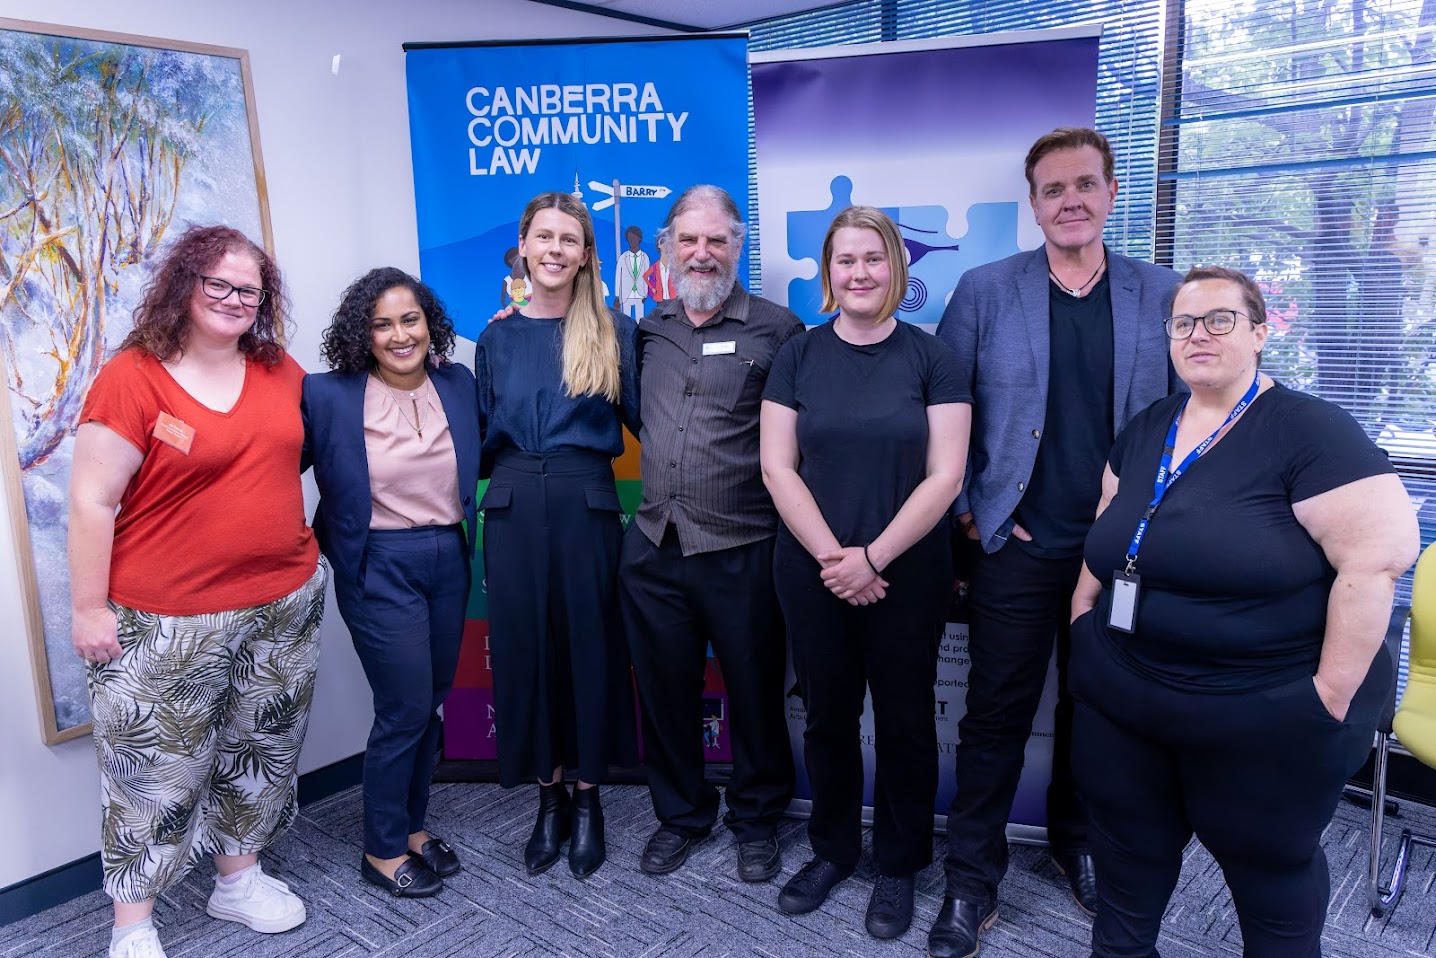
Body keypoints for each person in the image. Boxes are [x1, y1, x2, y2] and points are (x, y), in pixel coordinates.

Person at [1069, 265, 1419, 957]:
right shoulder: (1150, 426)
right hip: (1125, 694)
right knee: (1125, 860)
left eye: (1220, 319)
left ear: (1260, 332)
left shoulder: (1310, 431)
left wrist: (1328, 699)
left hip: (1258, 708)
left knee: (1267, 873)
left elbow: (1378, 560)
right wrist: (1083, 616)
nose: (1199, 334)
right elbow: (1109, 524)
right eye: (1183, 323)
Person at [930, 127, 1181, 956]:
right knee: (995, 715)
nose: (1070, 201)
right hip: (1018, 546)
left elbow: (1192, 417)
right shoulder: (985, 290)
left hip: (1120, 553)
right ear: (1033, 203)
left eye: (1085, 185)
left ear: (1111, 193)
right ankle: (972, 878)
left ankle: (1079, 846)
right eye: (1052, 189)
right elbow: (948, 409)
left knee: (1099, 712)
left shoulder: (1162, 294)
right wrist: (970, 506)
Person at [69, 225, 327, 958]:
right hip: (165, 618)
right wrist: (89, 607)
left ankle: (237, 880)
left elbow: (300, 456)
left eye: (248, 288)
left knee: (261, 749)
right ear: (182, 285)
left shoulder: (280, 369)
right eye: (216, 282)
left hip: (281, 602)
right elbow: (92, 501)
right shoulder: (133, 376)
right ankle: (133, 923)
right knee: (152, 771)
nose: (232, 298)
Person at [761, 206, 970, 939]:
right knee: (827, 718)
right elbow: (777, 467)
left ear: (896, 269)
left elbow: (945, 475)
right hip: (812, 568)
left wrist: (874, 559)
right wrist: (835, 560)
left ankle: (900, 865)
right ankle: (833, 850)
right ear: (828, 273)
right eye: (845, 261)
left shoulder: (932, 357)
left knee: (908, 722)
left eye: (873, 259)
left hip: (906, 571)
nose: (860, 273)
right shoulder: (798, 355)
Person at [620, 184, 801, 883]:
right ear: (664, 249)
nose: (702, 253)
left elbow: (798, 440)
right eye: (688, 240)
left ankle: (757, 819)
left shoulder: (778, 330)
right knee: (666, 694)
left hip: (744, 546)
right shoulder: (648, 329)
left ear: (738, 246)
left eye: (717, 240)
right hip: (654, 547)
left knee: (755, 692)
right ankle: (683, 814)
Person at [474, 191, 639, 880]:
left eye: (568, 240)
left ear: (584, 254)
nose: (554, 250)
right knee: (526, 654)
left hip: (585, 500)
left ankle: (590, 798)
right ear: (523, 243)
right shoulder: (496, 337)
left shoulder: (614, 331)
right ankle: (549, 798)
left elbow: (652, 425)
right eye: (543, 236)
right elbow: (477, 438)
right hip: (512, 504)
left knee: (590, 652)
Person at [303, 267, 480, 898]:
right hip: (377, 560)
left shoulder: (459, 384)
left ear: (430, 324)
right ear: (363, 333)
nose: (400, 334)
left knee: (428, 698)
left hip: (448, 557)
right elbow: (269, 466)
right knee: (403, 705)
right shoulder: (328, 395)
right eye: (382, 324)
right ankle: (381, 849)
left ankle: (410, 829)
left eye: (410, 319)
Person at [615, 224, 651, 320]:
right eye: (629, 238)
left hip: (640, 293)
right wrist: (618, 295)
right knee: (626, 319)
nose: (632, 240)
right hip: (626, 293)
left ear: (639, 238)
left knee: (640, 319)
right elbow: (619, 276)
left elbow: (647, 276)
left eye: (634, 237)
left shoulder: (645, 257)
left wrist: (645, 293)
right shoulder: (623, 258)